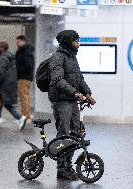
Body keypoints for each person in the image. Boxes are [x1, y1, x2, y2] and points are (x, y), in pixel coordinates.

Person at [48, 30, 96, 180]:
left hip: (72, 100)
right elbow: (57, 80)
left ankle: (68, 165)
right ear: (69, 41)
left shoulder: (72, 57)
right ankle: (61, 168)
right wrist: (74, 92)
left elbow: (79, 78)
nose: (78, 44)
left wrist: (87, 93)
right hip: (62, 100)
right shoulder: (58, 58)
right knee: (64, 134)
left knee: (76, 133)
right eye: (76, 41)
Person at [0, 42, 27, 132]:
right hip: (9, 84)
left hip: (3, 85)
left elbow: (2, 73)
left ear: (2, 48)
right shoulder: (11, 57)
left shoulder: (3, 58)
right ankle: (18, 119)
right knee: (3, 104)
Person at [15, 35, 35, 124]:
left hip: (24, 77)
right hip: (25, 77)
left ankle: (26, 117)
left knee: (24, 97)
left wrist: (19, 71)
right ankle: (27, 115)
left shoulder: (25, 51)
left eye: (18, 41)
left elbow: (28, 65)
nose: (17, 43)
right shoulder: (25, 50)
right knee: (25, 97)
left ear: (23, 41)